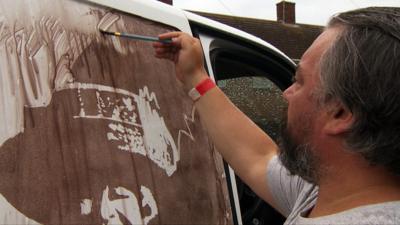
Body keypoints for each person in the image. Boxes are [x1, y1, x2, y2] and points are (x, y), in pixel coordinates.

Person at [153, 7, 400, 225]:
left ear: (340, 113)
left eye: (299, 81)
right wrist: (196, 77)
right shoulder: (323, 190)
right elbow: (258, 158)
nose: (286, 93)